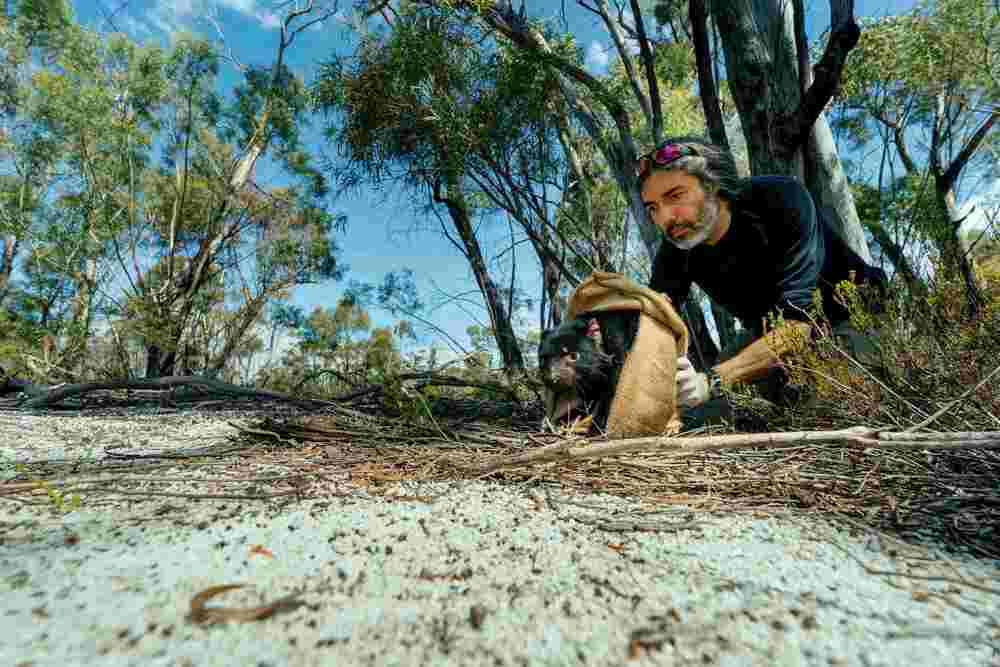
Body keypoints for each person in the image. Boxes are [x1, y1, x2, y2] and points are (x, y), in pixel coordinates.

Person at [637, 136, 887, 418]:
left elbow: (797, 328)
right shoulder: (676, 248)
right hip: (768, 333)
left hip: (853, 316)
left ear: (712, 184)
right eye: (652, 208)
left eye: (675, 196)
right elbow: (655, 315)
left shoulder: (779, 199)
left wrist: (712, 381)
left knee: (819, 410)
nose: (666, 218)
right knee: (703, 418)